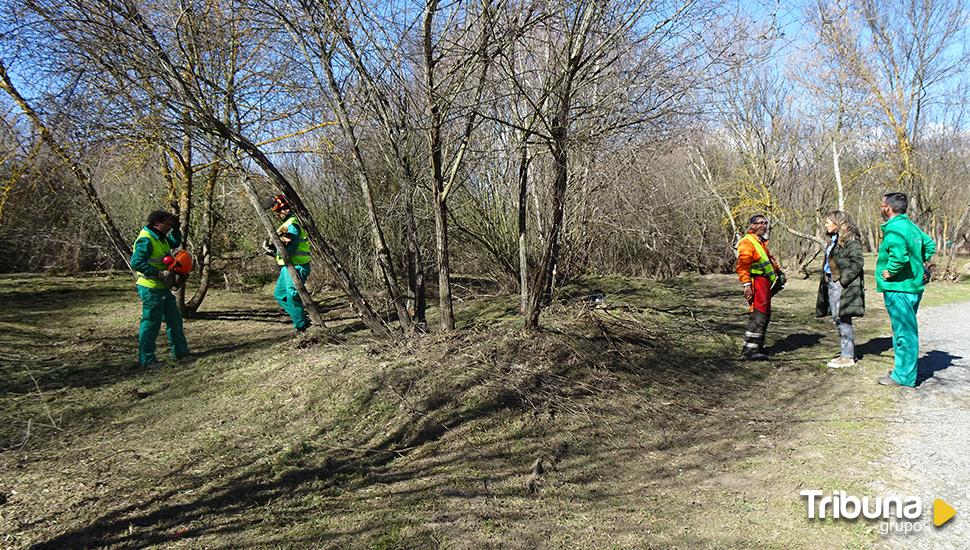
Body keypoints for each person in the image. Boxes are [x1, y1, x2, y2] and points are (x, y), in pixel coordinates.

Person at [876, 192, 936, 387]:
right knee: (903, 330)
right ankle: (902, 369)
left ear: (888, 207)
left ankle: (903, 376)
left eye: (882, 204)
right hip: (912, 287)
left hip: (899, 288)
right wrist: (918, 264)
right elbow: (929, 244)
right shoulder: (910, 226)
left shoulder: (894, 229)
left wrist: (890, 272)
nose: (880, 207)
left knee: (904, 332)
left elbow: (899, 257)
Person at [131, 210, 189, 367]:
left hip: (162, 287)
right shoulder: (146, 239)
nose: (170, 227)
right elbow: (136, 263)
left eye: (172, 225)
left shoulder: (160, 237)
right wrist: (158, 273)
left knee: (174, 319)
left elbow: (174, 242)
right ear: (157, 223)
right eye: (168, 224)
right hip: (150, 287)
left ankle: (181, 353)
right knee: (151, 323)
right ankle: (147, 359)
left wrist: (177, 229)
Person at [815, 211, 865, 368]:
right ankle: (845, 353)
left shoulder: (851, 240)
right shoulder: (834, 239)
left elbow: (857, 263)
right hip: (831, 282)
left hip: (841, 285)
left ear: (838, 223)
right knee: (837, 318)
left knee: (842, 318)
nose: (826, 225)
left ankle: (848, 357)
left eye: (828, 222)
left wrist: (842, 280)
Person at [261, 194, 312, 332]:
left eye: (279, 211)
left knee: (292, 294)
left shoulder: (292, 224)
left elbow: (291, 248)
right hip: (287, 266)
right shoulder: (285, 225)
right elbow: (283, 247)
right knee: (280, 294)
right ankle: (301, 318)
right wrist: (272, 249)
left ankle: (301, 327)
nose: (278, 214)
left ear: (287, 209)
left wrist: (277, 248)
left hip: (297, 265)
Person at [736, 214, 782, 360]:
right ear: (752, 225)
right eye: (760, 223)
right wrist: (746, 285)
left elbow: (767, 262)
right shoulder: (747, 242)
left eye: (765, 223)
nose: (764, 225)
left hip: (764, 284)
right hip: (756, 284)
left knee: (765, 315)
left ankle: (758, 347)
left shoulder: (761, 242)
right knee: (758, 315)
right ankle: (749, 352)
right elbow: (742, 266)